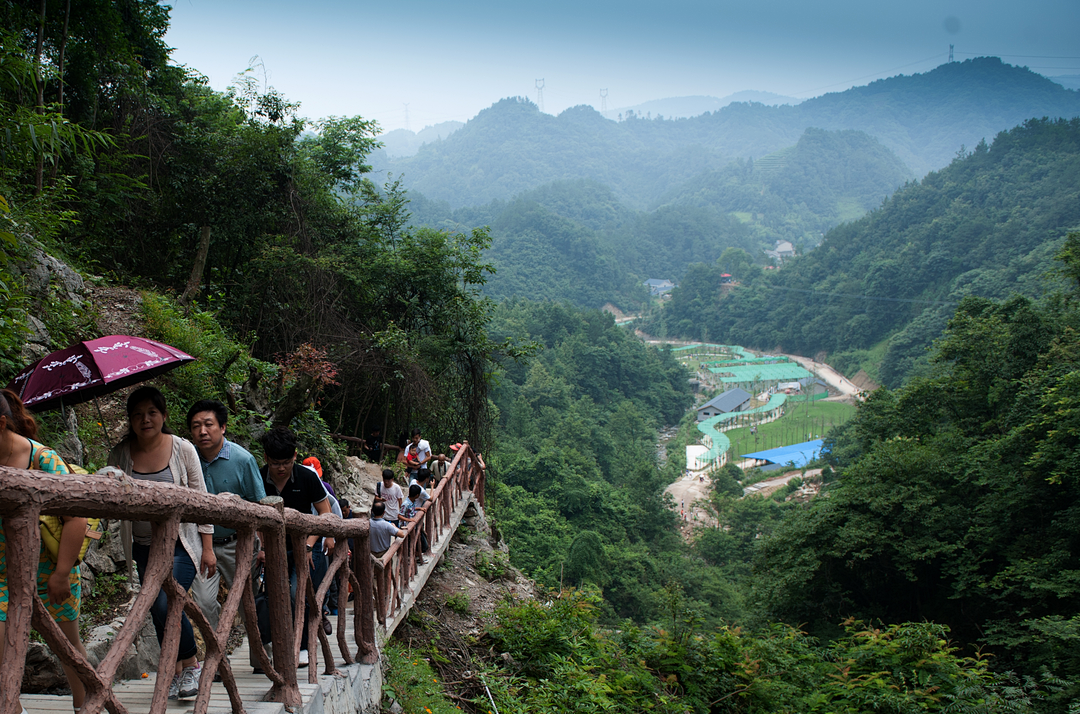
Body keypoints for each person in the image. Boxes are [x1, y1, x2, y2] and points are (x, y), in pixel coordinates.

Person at [107, 386, 214, 701]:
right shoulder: (121, 453)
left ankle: (191, 663)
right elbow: (111, 495)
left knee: (169, 602)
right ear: (129, 420)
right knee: (155, 608)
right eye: (137, 415)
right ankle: (176, 671)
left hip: (182, 544)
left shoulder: (183, 450)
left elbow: (203, 500)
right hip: (143, 545)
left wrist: (208, 548)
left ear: (164, 415)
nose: (145, 420)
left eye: (152, 413)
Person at [0, 389, 89, 714]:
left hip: (52, 571)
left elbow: (76, 516)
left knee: (66, 648)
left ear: (1, 424)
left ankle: (85, 706)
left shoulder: (42, 458)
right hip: (4, 575)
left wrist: (62, 574)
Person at [185, 400, 266, 673]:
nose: (202, 431)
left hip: (238, 544)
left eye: (208, 424)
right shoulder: (188, 459)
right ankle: (218, 662)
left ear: (223, 427)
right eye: (196, 426)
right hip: (201, 545)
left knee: (248, 603)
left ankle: (261, 658)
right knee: (205, 603)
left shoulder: (242, 460)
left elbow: (261, 504)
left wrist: (263, 547)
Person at [258, 427, 335, 668]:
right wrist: (261, 547)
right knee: (274, 597)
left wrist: (310, 545)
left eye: (286, 462)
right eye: (275, 463)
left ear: (295, 456)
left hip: (305, 548)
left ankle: (302, 645)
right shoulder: (259, 477)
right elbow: (253, 515)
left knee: (296, 594)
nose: (281, 468)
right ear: (266, 458)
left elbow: (325, 513)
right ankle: (278, 648)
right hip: (272, 550)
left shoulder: (307, 477)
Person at [399, 484, 430, 565]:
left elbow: (411, 509)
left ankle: (416, 558)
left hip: (413, 527)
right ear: (417, 495)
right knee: (411, 544)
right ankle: (410, 561)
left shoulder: (412, 502)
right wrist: (409, 520)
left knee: (418, 543)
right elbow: (399, 515)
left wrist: (419, 508)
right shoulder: (406, 503)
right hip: (407, 528)